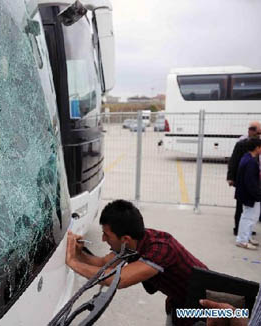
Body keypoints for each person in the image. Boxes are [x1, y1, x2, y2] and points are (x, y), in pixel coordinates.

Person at [66, 200, 208, 326]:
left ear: (125, 239)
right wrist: (79, 253)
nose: (103, 239)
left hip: (209, 308)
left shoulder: (161, 249)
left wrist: (72, 262)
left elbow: (118, 279)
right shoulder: (132, 242)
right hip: (180, 302)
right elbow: (105, 264)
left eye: (107, 235)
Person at [227, 121, 261, 236]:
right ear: (252, 131)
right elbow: (233, 160)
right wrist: (230, 177)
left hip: (254, 179)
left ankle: (246, 230)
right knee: (241, 207)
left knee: (250, 208)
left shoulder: (257, 143)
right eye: (258, 132)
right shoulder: (242, 143)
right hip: (243, 180)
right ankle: (239, 229)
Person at [234, 138, 261, 250]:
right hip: (249, 195)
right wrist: (258, 195)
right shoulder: (251, 162)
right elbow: (251, 182)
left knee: (251, 217)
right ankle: (242, 240)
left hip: (246, 194)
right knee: (248, 217)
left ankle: (247, 236)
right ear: (256, 148)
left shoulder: (247, 158)